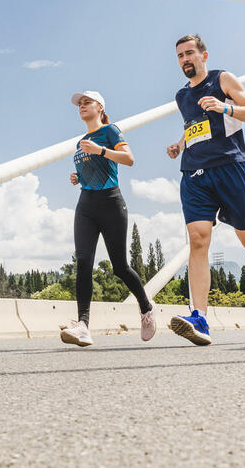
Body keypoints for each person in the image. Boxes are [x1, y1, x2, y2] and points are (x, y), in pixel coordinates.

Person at [166, 34, 245, 346]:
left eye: (190, 53)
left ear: (204, 55)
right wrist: (180, 144)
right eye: (180, 55)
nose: (185, 60)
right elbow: (195, 125)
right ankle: (200, 318)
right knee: (197, 240)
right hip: (194, 173)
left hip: (230, 168)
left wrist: (225, 107)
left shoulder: (223, 79)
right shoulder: (181, 97)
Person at [60, 90, 156, 347]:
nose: (81, 106)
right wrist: (78, 177)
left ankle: (146, 308)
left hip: (111, 203)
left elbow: (129, 159)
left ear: (100, 107)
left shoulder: (111, 131)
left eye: (86, 102)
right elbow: (92, 171)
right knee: (82, 262)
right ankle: (83, 325)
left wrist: (100, 150)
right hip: (86, 205)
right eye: (79, 104)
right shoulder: (80, 142)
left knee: (119, 267)